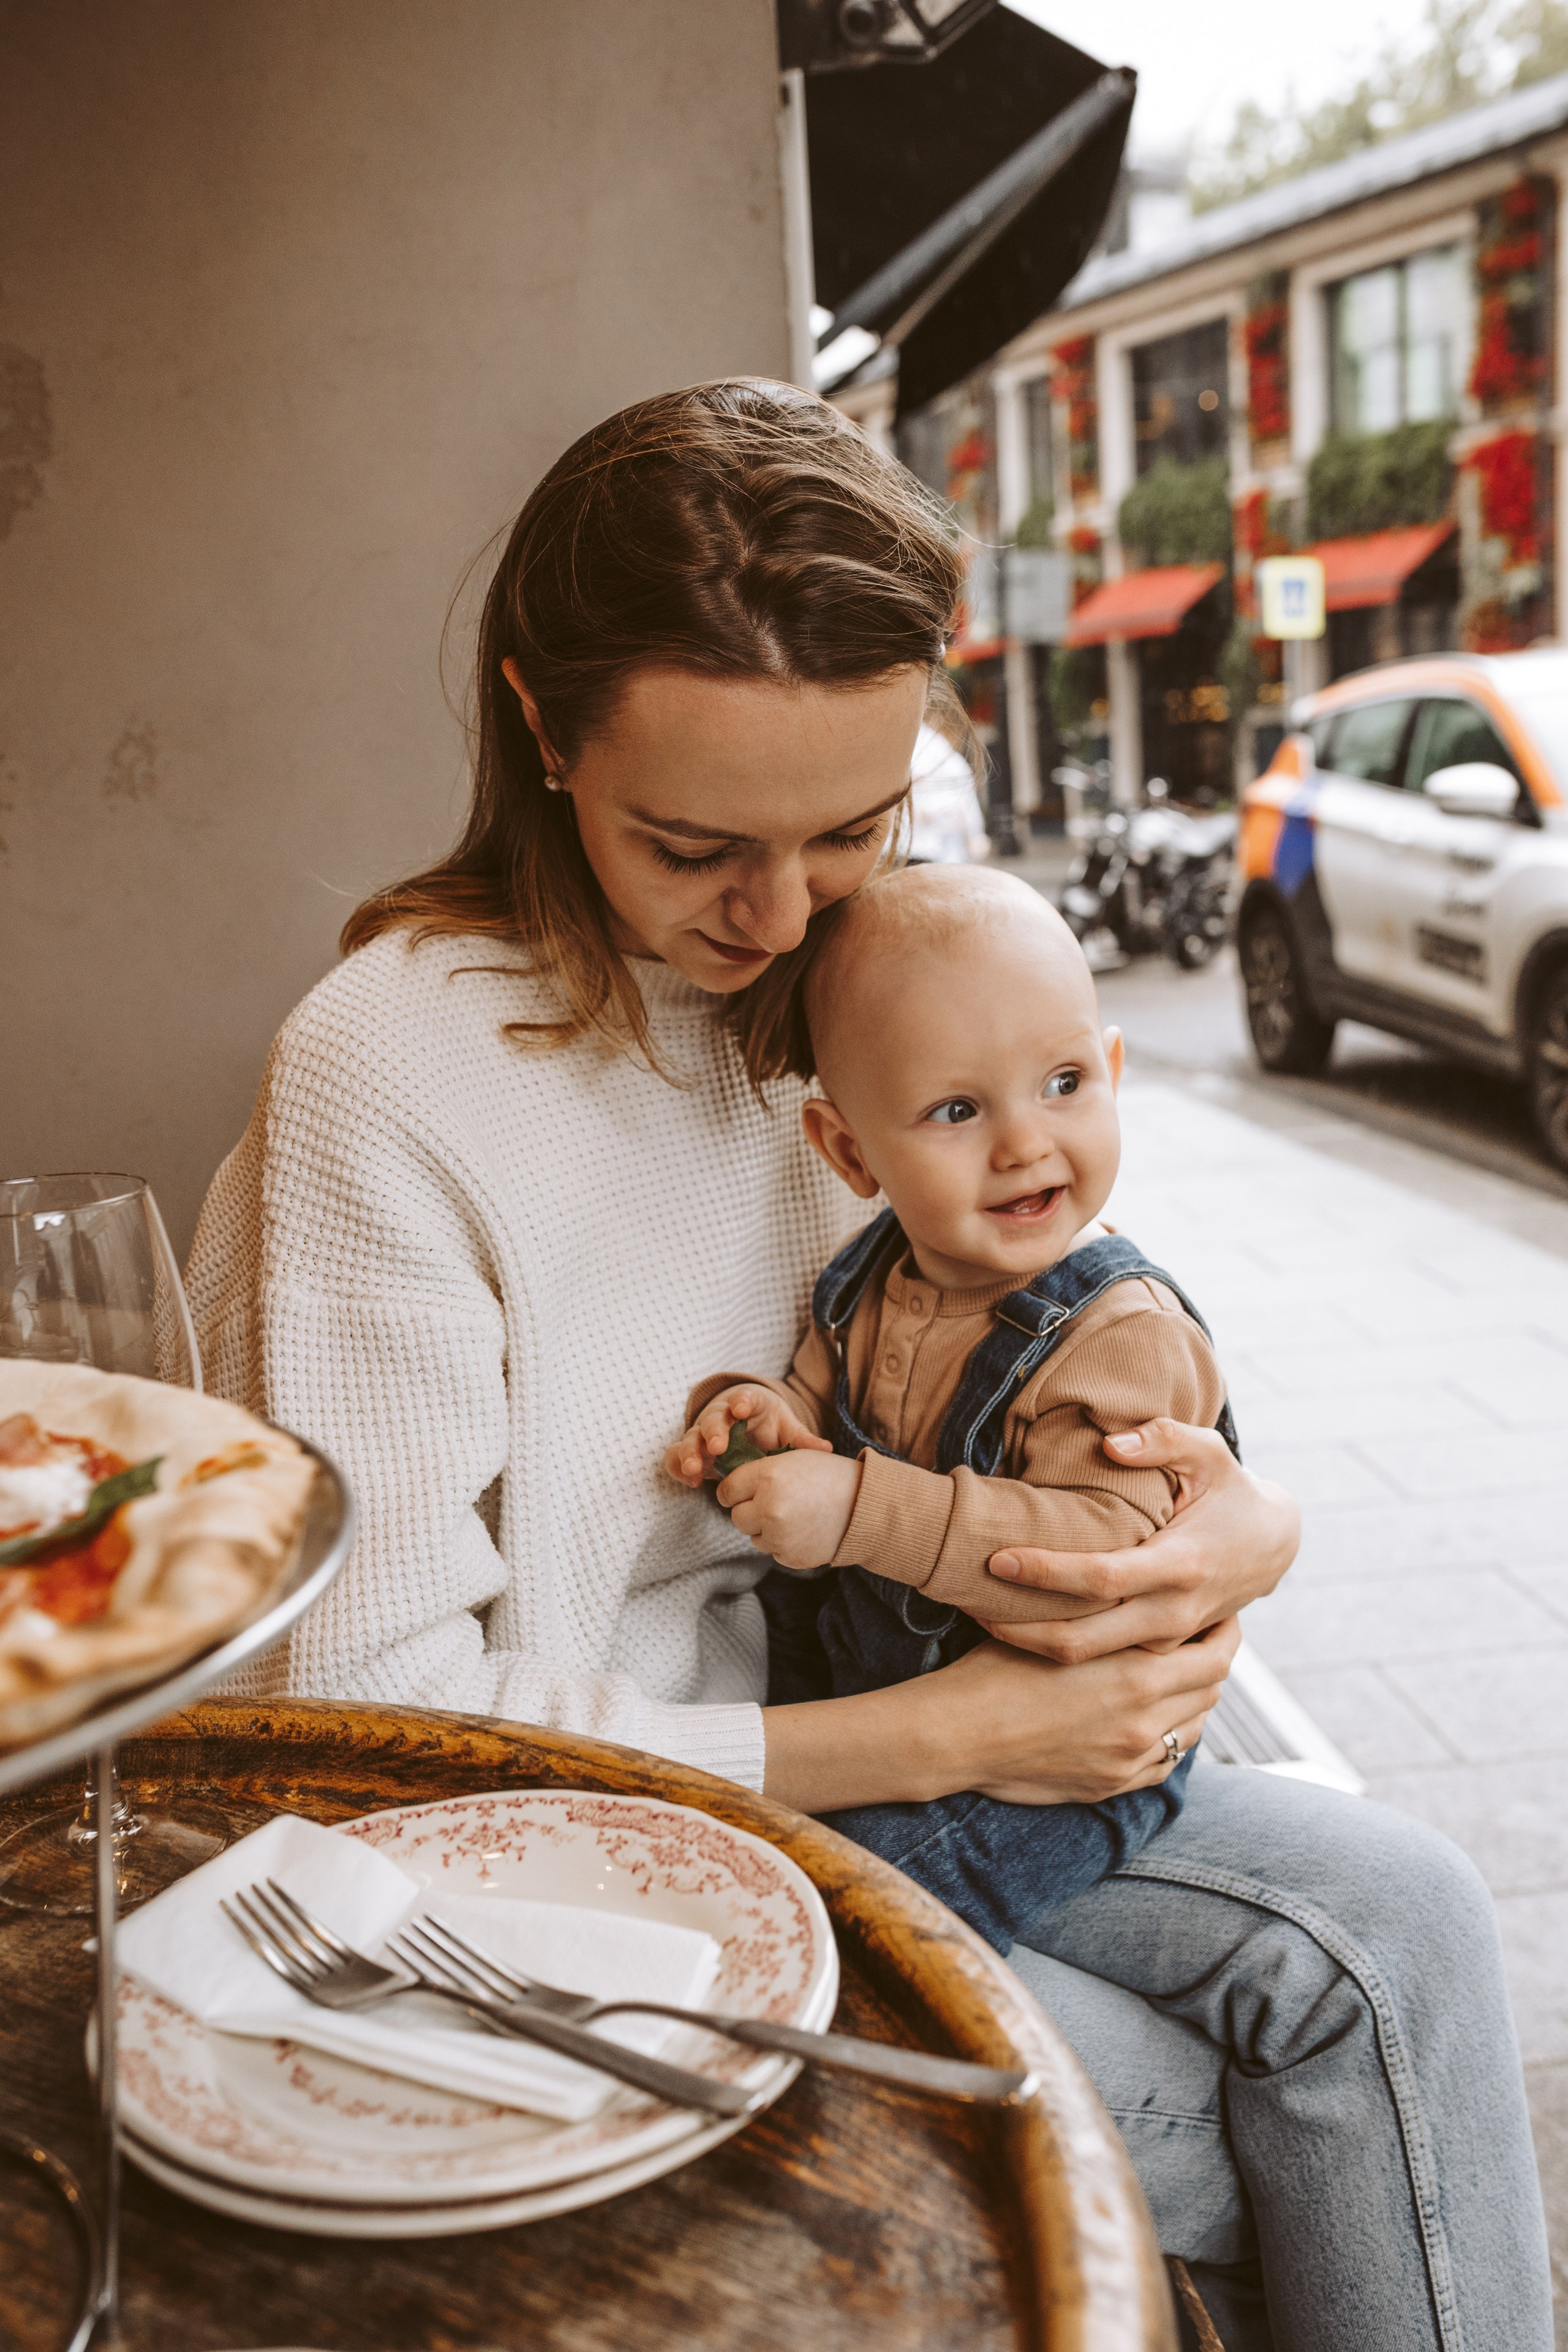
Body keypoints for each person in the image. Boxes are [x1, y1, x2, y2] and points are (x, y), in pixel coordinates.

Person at [187, 380, 1552, 2352]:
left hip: (888, 1725)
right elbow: (371, 1728)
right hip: (612, 1862)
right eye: (694, 845)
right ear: (539, 728)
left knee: (1412, 1910)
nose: (779, 916)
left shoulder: (865, 970)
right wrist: (957, 1740)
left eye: (851, 826)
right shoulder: (392, 1074)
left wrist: (1239, 1515)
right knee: (1262, 2088)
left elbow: (1044, 1302)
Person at [665, 863, 1231, 1954]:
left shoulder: (1119, 1334)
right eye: (959, 1109)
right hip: (889, 1710)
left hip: (1066, 1767)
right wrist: (765, 1410)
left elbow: (1102, 1558)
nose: (1024, 1142)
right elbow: (818, 1396)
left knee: (852, 1931)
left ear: (1114, 1071)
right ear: (849, 1152)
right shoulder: (867, 1278)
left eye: (1065, 1082)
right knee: (764, 1869)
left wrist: (856, 1513)